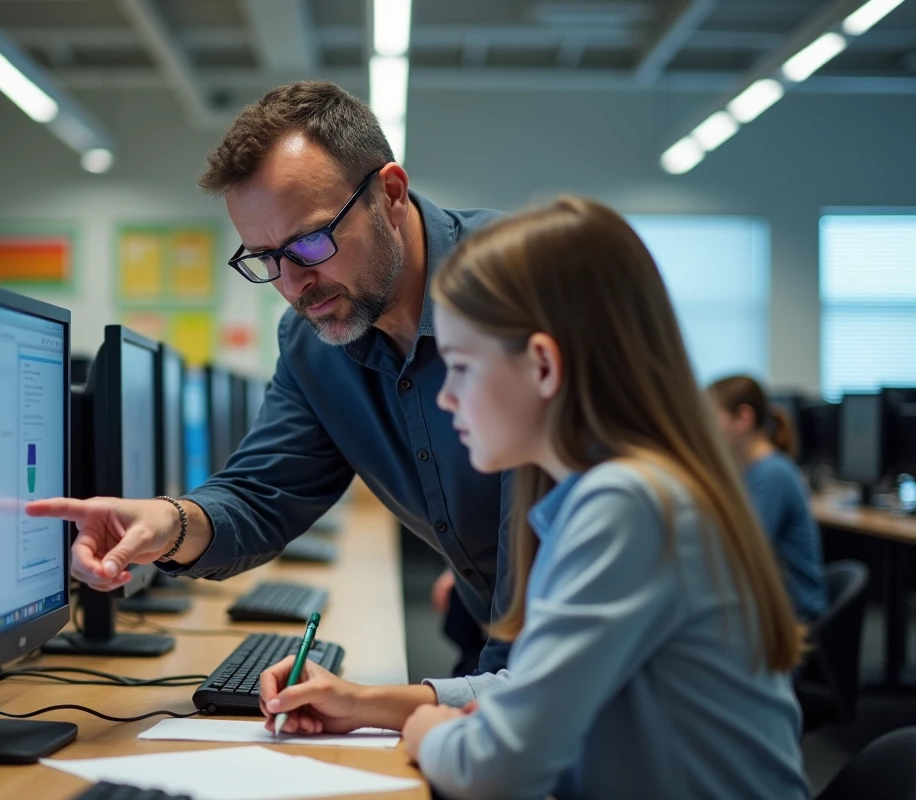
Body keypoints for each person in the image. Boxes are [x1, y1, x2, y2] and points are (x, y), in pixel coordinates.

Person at [255, 198, 809, 800]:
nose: (445, 400)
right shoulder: (594, 497)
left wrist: (422, 728)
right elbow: (532, 687)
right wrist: (364, 702)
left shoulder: (627, 506)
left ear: (543, 366)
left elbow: (495, 769)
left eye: (462, 367)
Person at [27, 81, 512, 675]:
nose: (291, 285)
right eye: (264, 258)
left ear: (389, 193)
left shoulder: (522, 289)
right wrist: (168, 523)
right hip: (493, 640)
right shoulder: (314, 343)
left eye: (309, 242)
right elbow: (264, 494)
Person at [709, 375, 827, 622]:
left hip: (792, 617)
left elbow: (741, 554)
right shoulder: (751, 471)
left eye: (712, 417)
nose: (706, 428)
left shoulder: (772, 474)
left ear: (743, 419)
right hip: (769, 607)